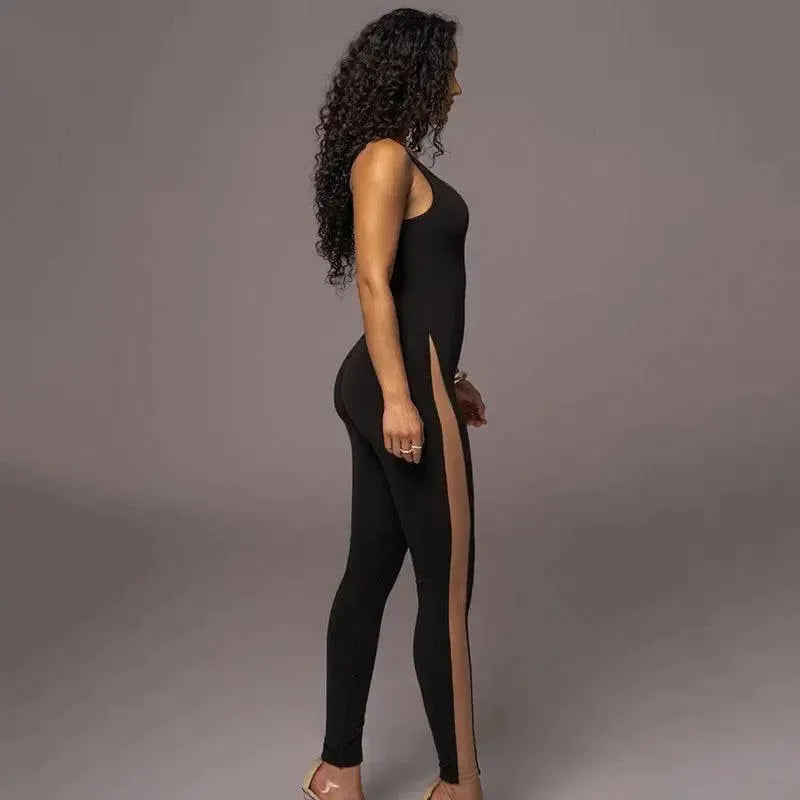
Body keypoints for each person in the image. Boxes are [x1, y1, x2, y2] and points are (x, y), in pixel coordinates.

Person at [302, 9, 488, 800]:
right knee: (446, 593)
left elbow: (420, 292)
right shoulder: (384, 159)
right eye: (448, 70)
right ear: (414, 72)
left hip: (406, 378)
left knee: (371, 572)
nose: (456, 85)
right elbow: (375, 282)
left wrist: (448, 379)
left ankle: (335, 772)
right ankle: (460, 785)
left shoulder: (393, 158)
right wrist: (401, 399)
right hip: (394, 387)